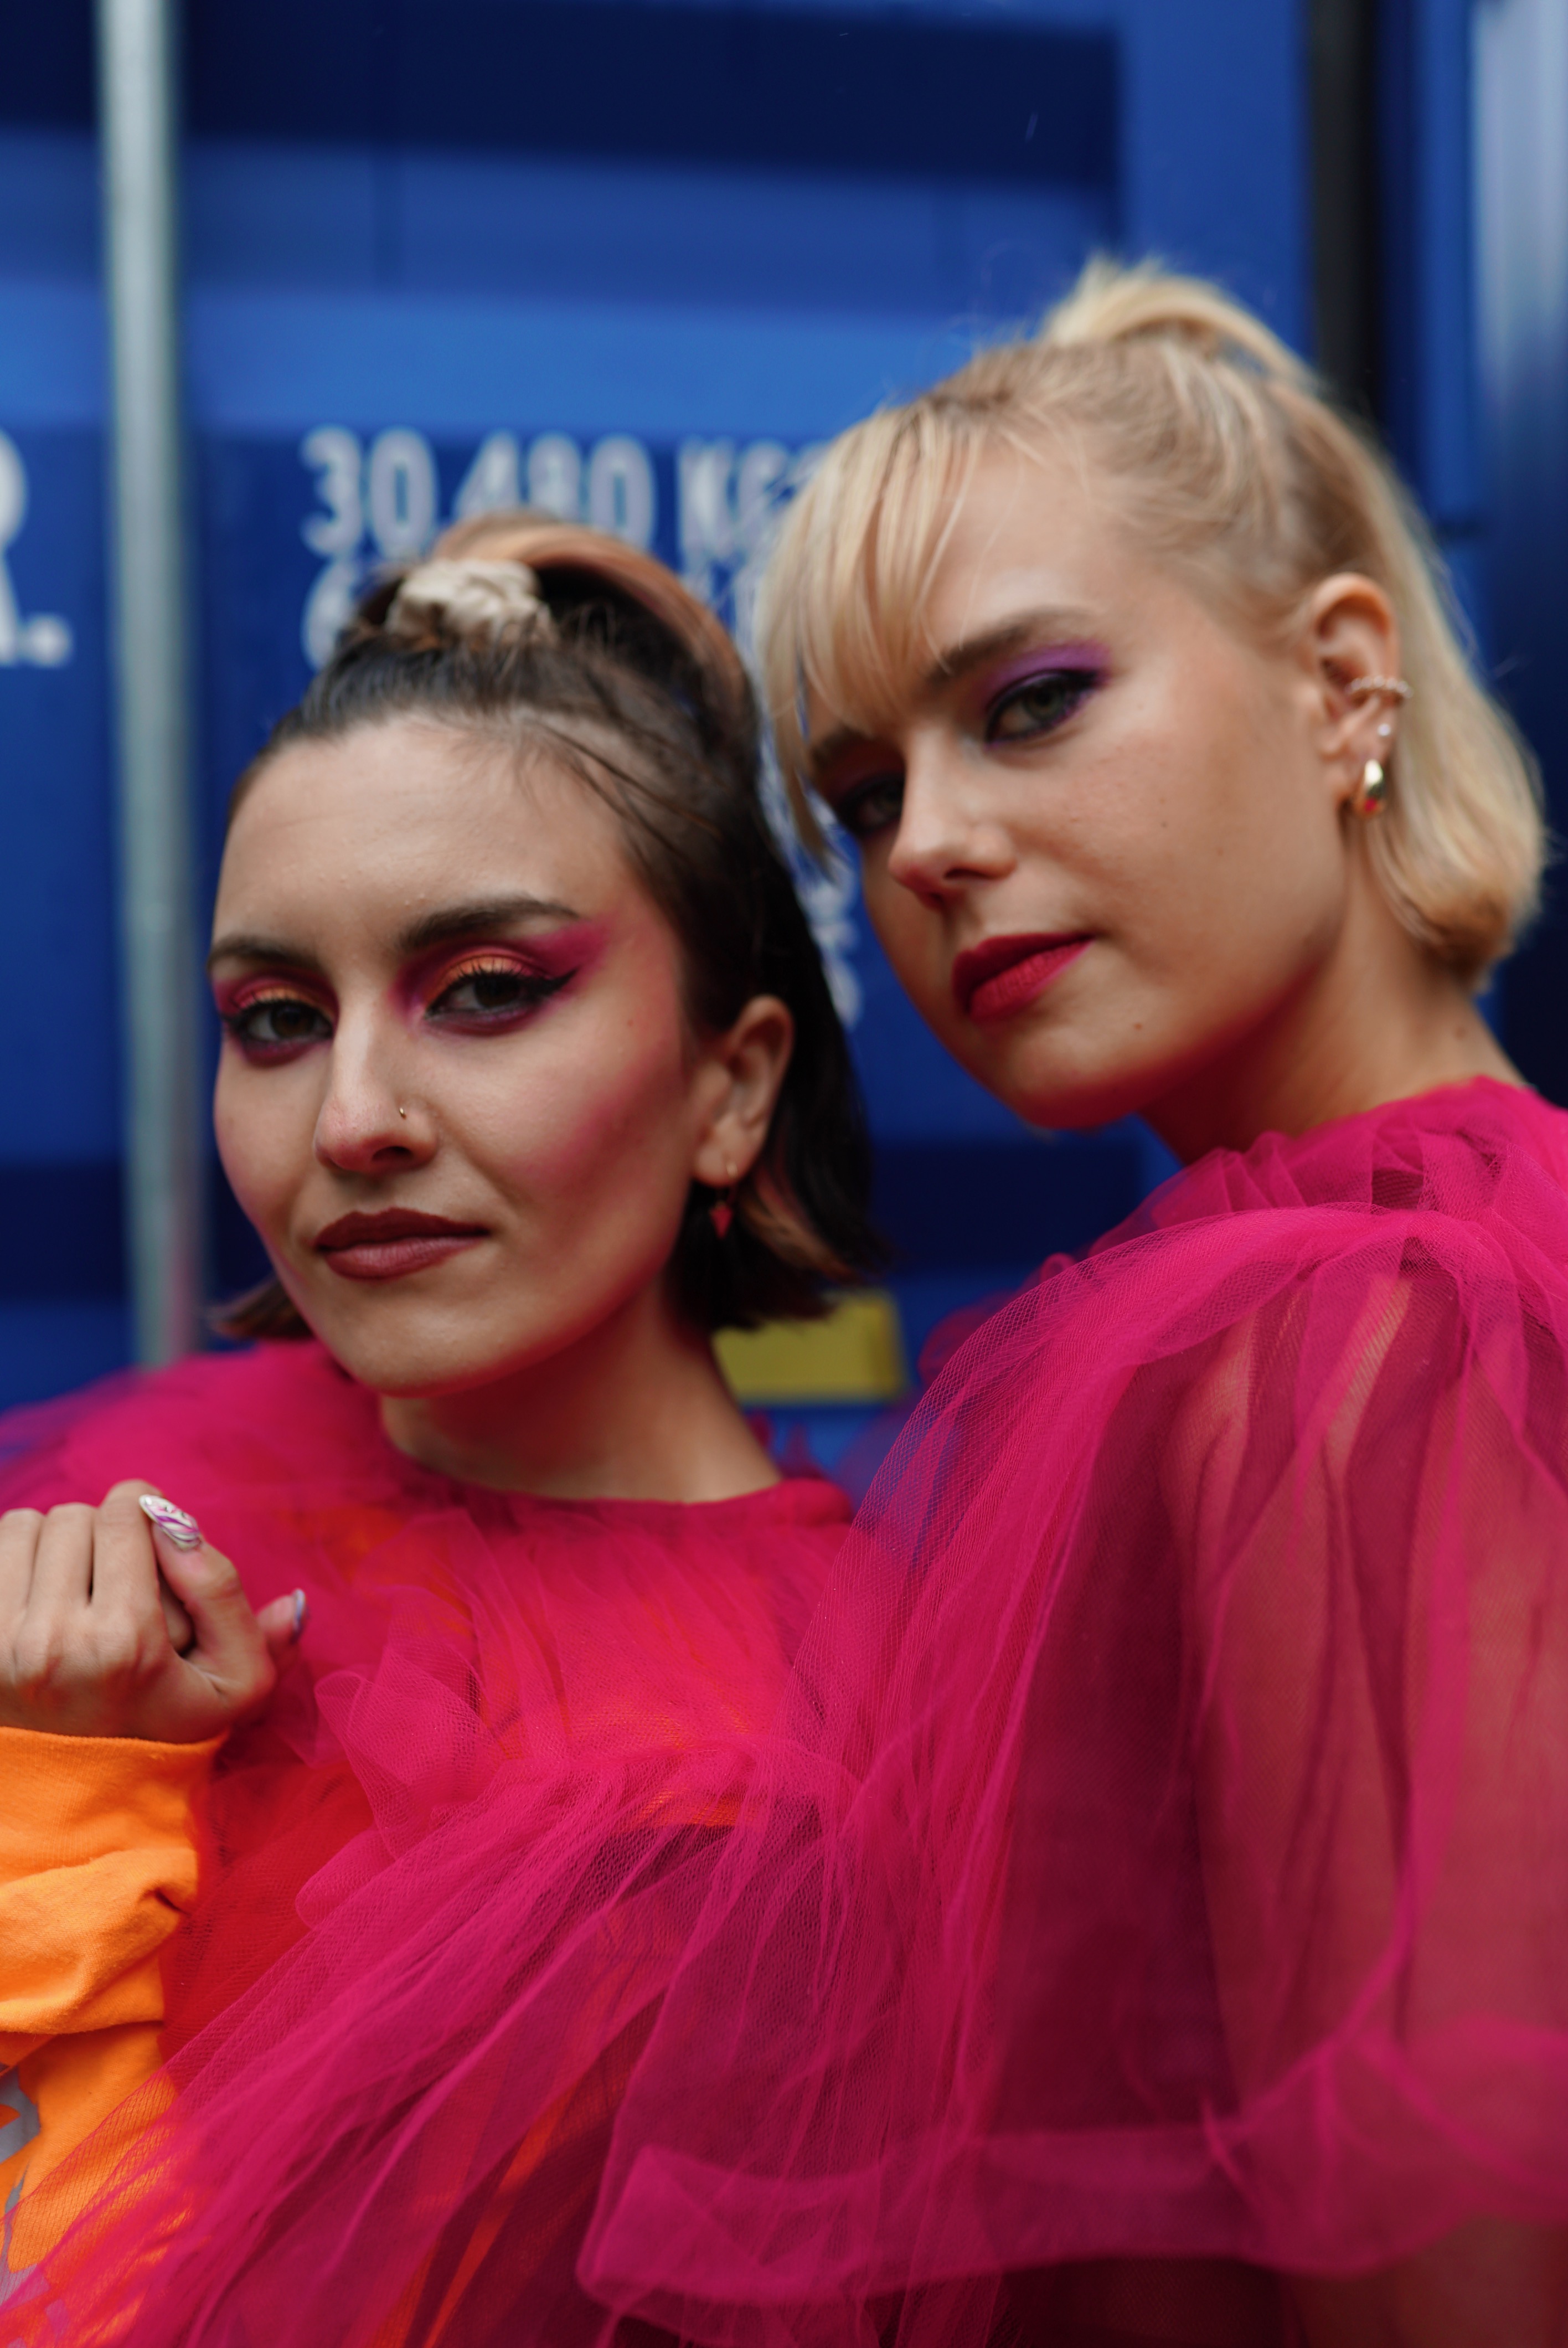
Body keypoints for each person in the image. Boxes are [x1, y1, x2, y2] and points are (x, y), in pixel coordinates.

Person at [581, 263, 1568, 2347]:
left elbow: (1454, 2270)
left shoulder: (1359, 1330)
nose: (930, 849)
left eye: (1030, 704)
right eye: (863, 797)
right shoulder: (1437, 1263)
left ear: (1343, 684)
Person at [0, 513, 875, 2344]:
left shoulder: (778, 1789)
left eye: (484, 994)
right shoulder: (131, 1522)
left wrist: (64, 1831)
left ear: (732, 1088)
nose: (354, 1119)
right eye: (274, 1019)